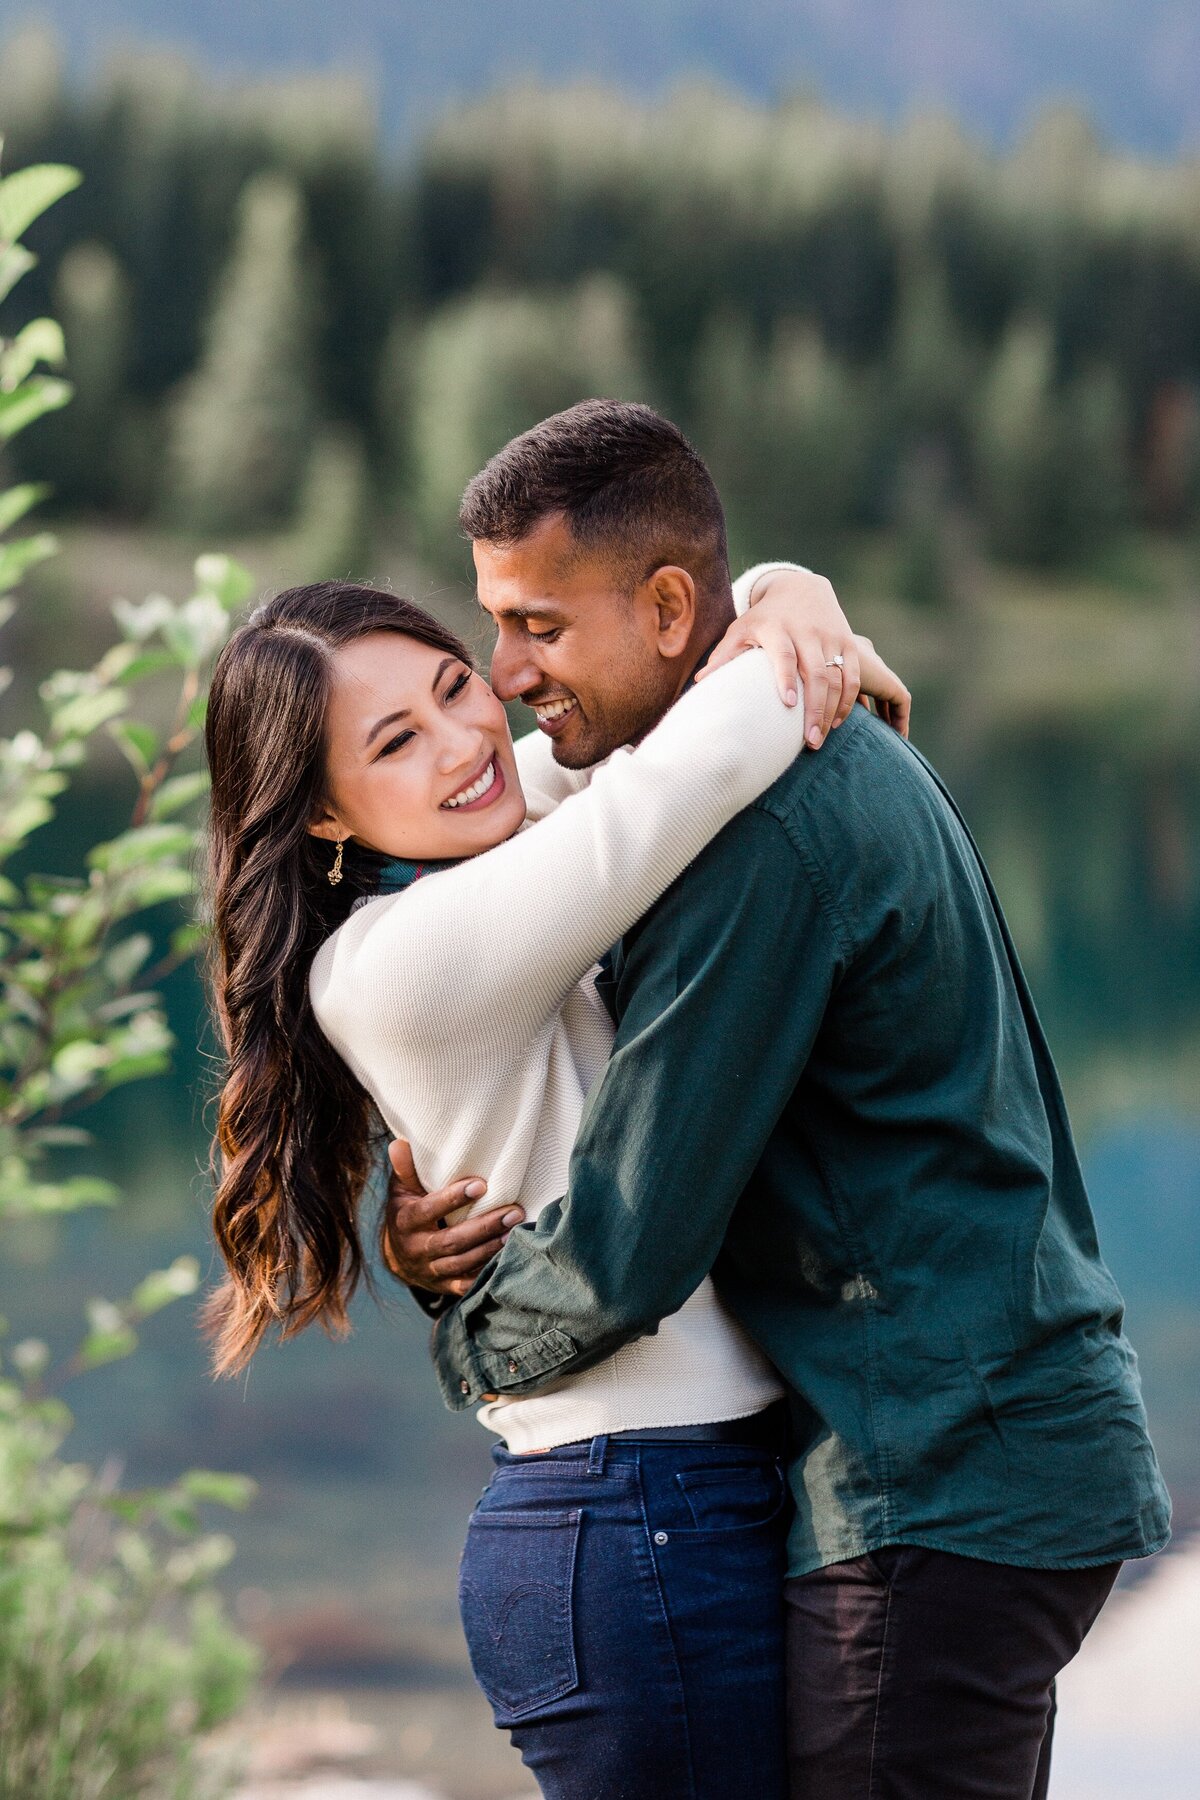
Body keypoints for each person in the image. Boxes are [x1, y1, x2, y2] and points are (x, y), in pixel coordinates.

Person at [386, 399, 1172, 1800]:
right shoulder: (771, 761)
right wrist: (782, 586)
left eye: (540, 628)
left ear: (672, 608)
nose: (504, 673)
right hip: (986, 1456)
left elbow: (633, 1237)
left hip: (935, 1477)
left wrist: (466, 1335)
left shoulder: (762, 835)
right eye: (494, 625)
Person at [201, 534, 911, 1794]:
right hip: (638, 1521)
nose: (463, 744)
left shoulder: (485, 857)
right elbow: (688, 773)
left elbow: (660, 698)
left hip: (675, 1503)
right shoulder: (410, 956)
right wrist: (801, 613)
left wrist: (785, 588)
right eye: (393, 744)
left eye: (451, 687)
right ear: (319, 813)